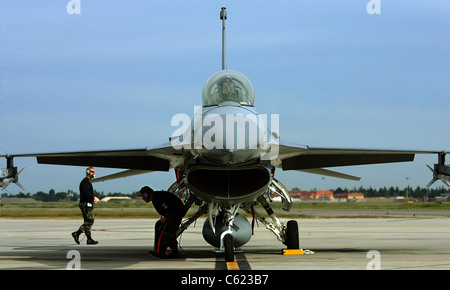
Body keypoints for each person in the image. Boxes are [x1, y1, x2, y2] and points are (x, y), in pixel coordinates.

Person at [140, 186, 185, 258]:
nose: (142, 198)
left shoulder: (157, 198)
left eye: (142, 196)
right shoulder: (156, 197)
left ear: (146, 195)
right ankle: (162, 251)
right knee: (163, 229)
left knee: (167, 232)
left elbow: (169, 207)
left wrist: (166, 217)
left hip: (175, 213)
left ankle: (172, 252)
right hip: (174, 213)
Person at [72, 167, 98, 245]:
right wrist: (93, 199)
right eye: (92, 172)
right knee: (90, 221)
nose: (93, 173)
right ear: (87, 172)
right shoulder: (86, 182)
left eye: (94, 172)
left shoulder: (87, 181)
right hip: (86, 204)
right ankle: (77, 233)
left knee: (87, 222)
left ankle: (89, 239)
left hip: (85, 203)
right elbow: (86, 192)